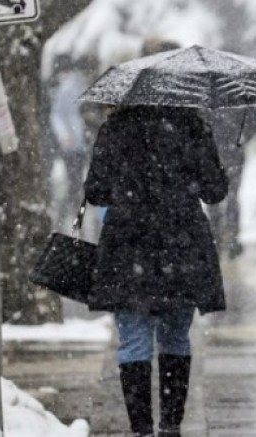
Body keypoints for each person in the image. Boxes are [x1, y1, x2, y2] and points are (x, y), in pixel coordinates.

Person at [84, 105, 228, 437]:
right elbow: (215, 191)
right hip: (182, 246)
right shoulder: (192, 125)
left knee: (133, 341)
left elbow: (95, 192)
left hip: (128, 246)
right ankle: (171, 425)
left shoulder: (116, 127)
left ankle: (141, 429)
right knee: (175, 337)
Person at [203, 107, 256, 259]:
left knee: (231, 198)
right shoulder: (210, 97)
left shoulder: (241, 97)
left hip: (232, 154)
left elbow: (254, 122)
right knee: (217, 198)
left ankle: (229, 240)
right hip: (215, 153)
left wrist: (243, 137)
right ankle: (218, 238)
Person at [46, 56, 91, 232]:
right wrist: (65, 135)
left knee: (76, 179)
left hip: (77, 142)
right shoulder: (71, 87)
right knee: (75, 179)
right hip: (74, 143)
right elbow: (57, 114)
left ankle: (72, 215)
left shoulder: (75, 85)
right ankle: (72, 216)